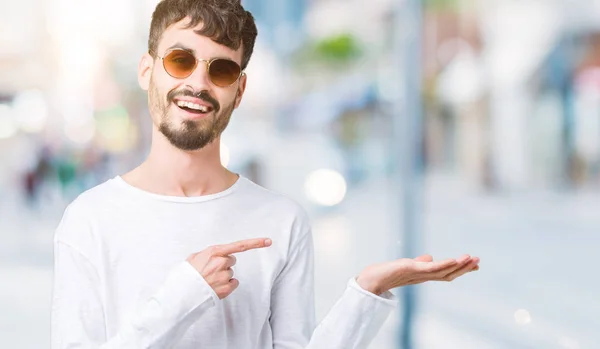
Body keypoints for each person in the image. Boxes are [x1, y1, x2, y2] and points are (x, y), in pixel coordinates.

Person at [50, 0, 480, 348]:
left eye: (221, 70)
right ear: (148, 71)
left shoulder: (281, 220)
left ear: (239, 91)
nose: (199, 82)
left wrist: (367, 292)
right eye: (181, 61)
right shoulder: (90, 219)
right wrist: (183, 296)